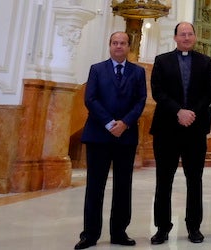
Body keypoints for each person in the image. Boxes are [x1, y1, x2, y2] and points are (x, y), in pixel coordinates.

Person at [75, 31, 147, 250]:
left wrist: (124, 123)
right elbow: (90, 98)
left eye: (123, 43)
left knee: (123, 186)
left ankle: (119, 232)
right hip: (99, 135)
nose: (118, 46)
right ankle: (90, 234)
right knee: (95, 186)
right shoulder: (97, 69)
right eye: (115, 43)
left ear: (128, 47)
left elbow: (140, 100)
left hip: (126, 136)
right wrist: (109, 123)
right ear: (109, 45)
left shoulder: (138, 72)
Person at [149, 22, 211, 245]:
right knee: (164, 180)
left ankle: (194, 227)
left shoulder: (205, 62)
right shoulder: (162, 60)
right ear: (175, 37)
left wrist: (191, 113)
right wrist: (178, 111)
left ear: (195, 37)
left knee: (194, 180)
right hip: (167, 128)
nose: (186, 37)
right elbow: (158, 92)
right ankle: (162, 228)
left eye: (190, 34)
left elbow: (209, 92)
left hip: (194, 129)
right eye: (182, 34)